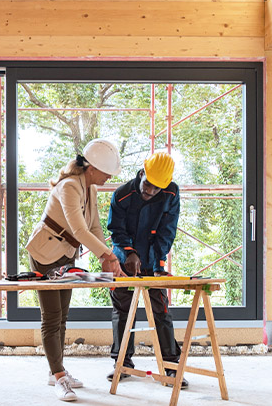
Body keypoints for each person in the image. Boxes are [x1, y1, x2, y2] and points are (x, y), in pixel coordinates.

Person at [24, 138, 126, 402]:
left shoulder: (89, 188)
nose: (109, 178)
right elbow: (79, 230)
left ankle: (56, 370)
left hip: (65, 256)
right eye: (106, 172)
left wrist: (107, 259)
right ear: (92, 168)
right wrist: (108, 256)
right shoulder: (69, 186)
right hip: (45, 254)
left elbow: (94, 227)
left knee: (62, 317)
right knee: (51, 317)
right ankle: (59, 377)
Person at [105, 152, 188, 388]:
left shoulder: (171, 193)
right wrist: (129, 253)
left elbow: (167, 231)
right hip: (124, 261)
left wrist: (158, 262)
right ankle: (122, 363)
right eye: (148, 185)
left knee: (161, 311)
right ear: (142, 173)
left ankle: (171, 366)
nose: (150, 191)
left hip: (153, 259)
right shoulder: (121, 195)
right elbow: (116, 230)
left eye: (156, 188)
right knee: (123, 311)